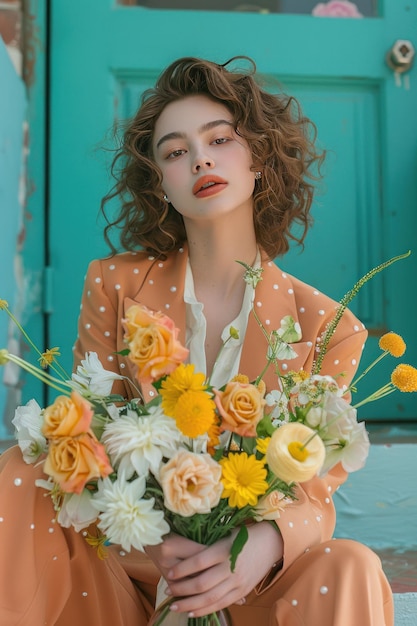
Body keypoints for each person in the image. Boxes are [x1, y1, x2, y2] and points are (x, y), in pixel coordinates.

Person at [0, 56, 393, 625]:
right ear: (161, 183)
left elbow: (314, 493)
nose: (201, 158)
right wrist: (144, 537)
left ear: (259, 159)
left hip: (252, 590)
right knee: (24, 469)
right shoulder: (113, 286)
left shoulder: (327, 327)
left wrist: (263, 542)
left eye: (220, 139)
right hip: (126, 582)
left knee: (351, 563)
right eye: (175, 151)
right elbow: (84, 444)